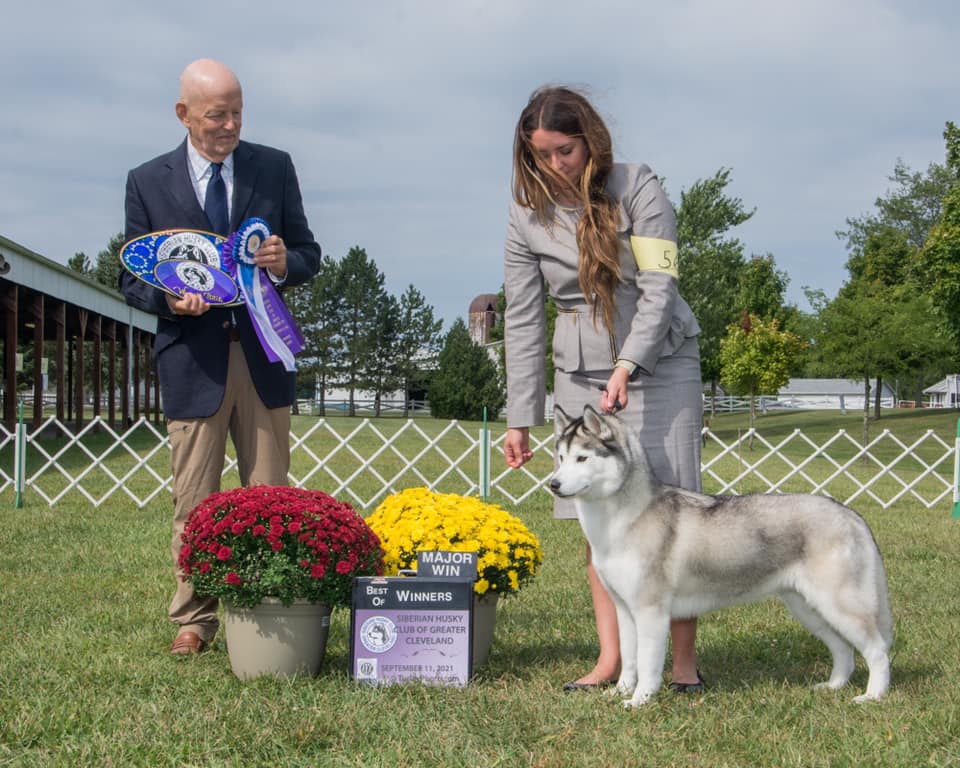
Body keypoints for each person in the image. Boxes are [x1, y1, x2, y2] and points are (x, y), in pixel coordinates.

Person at [502, 86, 705, 692]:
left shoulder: (638, 185)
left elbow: (660, 287)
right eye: (541, 155)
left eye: (564, 151)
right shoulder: (524, 214)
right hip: (577, 375)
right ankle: (611, 661)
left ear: (589, 140)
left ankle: (683, 665)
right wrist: (520, 417)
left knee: (672, 517)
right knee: (597, 523)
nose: (555, 165)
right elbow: (522, 318)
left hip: (659, 362)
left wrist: (627, 364)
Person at [120, 59, 322, 655]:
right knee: (195, 501)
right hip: (191, 361)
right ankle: (194, 619)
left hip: (263, 356)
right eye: (217, 115)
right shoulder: (145, 181)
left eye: (237, 112)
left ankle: (269, 608)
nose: (231, 124)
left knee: (271, 499)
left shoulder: (274, 166)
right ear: (183, 114)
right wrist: (168, 300)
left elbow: (308, 253)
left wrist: (284, 262)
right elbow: (130, 278)